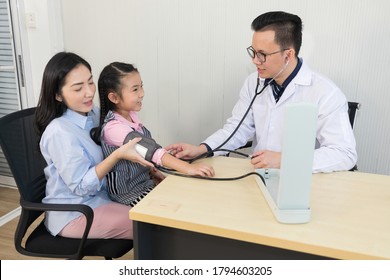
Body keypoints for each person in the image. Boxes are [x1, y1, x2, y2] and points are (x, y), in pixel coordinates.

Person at [166, 11, 357, 173]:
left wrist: (284, 160)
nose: (255, 61)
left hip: (303, 181)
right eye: (253, 52)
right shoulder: (254, 82)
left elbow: (344, 153)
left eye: (262, 54)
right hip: (257, 175)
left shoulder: (325, 93)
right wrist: (202, 149)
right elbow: (238, 128)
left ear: (288, 54)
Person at [34, 52, 153, 239]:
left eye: (90, 82)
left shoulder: (92, 114)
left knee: (163, 208)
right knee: (153, 224)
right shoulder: (59, 132)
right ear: (58, 95)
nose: (89, 92)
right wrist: (117, 155)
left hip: (106, 197)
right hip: (77, 212)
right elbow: (81, 187)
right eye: (78, 88)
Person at [90, 62, 215, 206]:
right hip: (128, 194)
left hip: (145, 184)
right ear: (114, 98)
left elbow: (144, 153)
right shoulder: (114, 128)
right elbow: (150, 151)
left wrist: (152, 170)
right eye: (135, 89)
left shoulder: (131, 116)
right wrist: (188, 168)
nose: (142, 93)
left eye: (141, 86)